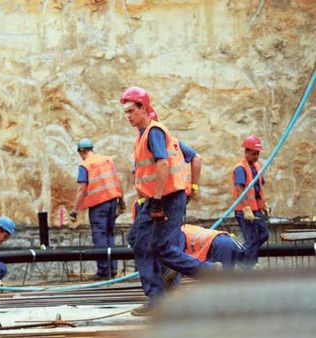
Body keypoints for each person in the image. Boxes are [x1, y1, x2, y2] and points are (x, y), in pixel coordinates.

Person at [120, 86, 218, 315]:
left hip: (164, 199)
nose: (128, 117)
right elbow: (194, 158)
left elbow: (163, 165)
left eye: (131, 111)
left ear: (144, 109)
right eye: (125, 112)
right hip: (155, 199)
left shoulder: (155, 133)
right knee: (139, 240)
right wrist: (191, 187)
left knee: (162, 247)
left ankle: (208, 272)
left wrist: (156, 200)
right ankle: (157, 299)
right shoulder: (145, 136)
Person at [69, 138, 125, 280]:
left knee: (99, 236)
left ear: (81, 152)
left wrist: (74, 210)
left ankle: (103, 272)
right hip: (112, 201)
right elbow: (118, 181)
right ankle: (113, 269)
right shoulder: (108, 160)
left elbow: (82, 189)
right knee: (109, 234)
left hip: (98, 205)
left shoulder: (85, 165)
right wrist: (121, 201)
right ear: (92, 148)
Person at [232, 135, 270, 268]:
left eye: (258, 154)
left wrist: (263, 205)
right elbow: (239, 190)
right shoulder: (240, 168)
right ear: (246, 152)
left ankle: (241, 257)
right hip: (245, 211)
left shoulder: (257, 167)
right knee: (252, 239)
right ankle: (248, 266)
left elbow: (258, 188)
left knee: (264, 234)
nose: (256, 157)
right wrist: (246, 209)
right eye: (254, 154)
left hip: (256, 209)